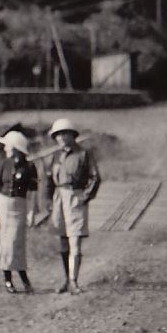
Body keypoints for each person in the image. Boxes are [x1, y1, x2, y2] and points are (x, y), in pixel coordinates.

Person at [48, 118, 101, 295]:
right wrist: (49, 202)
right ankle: (66, 279)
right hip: (58, 198)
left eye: (64, 133)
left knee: (75, 240)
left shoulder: (83, 154)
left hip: (75, 196)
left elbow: (95, 177)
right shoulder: (55, 156)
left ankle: (74, 281)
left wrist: (84, 197)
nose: (61, 137)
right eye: (58, 135)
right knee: (62, 241)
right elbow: (48, 180)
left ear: (72, 135)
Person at [0, 130, 38, 294]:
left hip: (19, 205)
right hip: (3, 204)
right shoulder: (4, 164)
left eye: (8, 145)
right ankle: (7, 279)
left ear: (16, 147)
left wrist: (32, 211)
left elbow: (33, 191)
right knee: (4, 243)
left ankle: (23, 277)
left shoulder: (29, 167)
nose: (5, 149)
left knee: (16, 242)